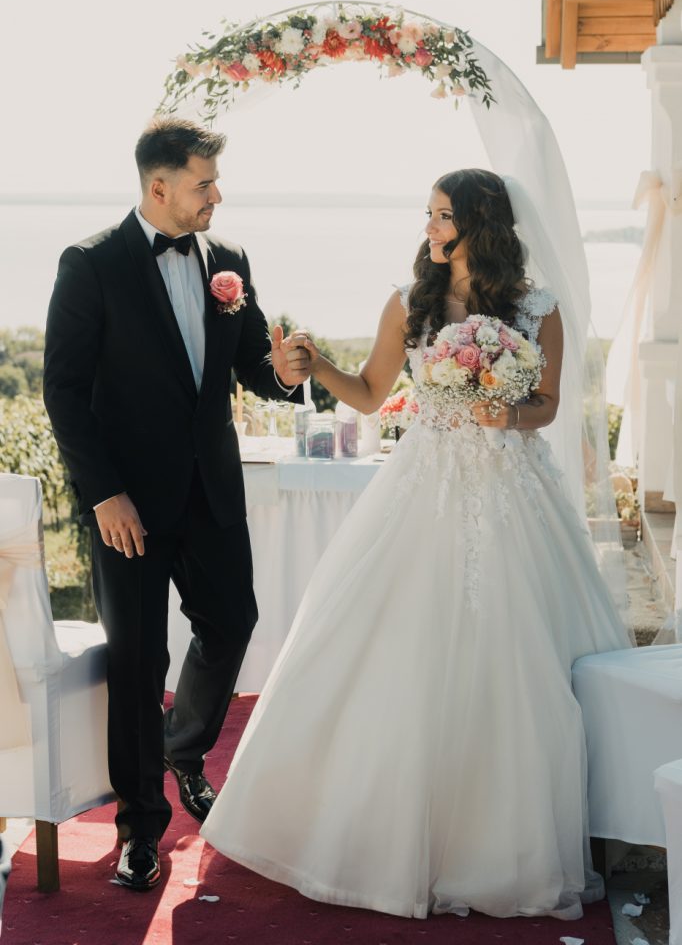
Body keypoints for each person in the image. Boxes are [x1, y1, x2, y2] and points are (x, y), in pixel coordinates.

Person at [201, 169, 632, 921]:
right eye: (429, 214)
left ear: (479, 225)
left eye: (443, 216)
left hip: (512, 489)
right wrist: (314, 365)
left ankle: (504, 839)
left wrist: (507, 416)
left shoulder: (538, 308)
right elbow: (371, 394)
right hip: (424, 483)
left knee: (518, 649)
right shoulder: (410, 303)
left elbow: (548, 403)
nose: (430, 228)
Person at [43, 117, 310, 891]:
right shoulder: (91, 264)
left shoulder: (230, 261)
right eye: (204, 183)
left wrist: (285, 371)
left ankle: (182, 748)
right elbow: (63, 390)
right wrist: (104, 494)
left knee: (233, 622)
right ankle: (140, 828)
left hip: (210, 489)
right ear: (159, 187)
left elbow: (253, 365)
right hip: (126, 503)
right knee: (138, 660)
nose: (216, 196)